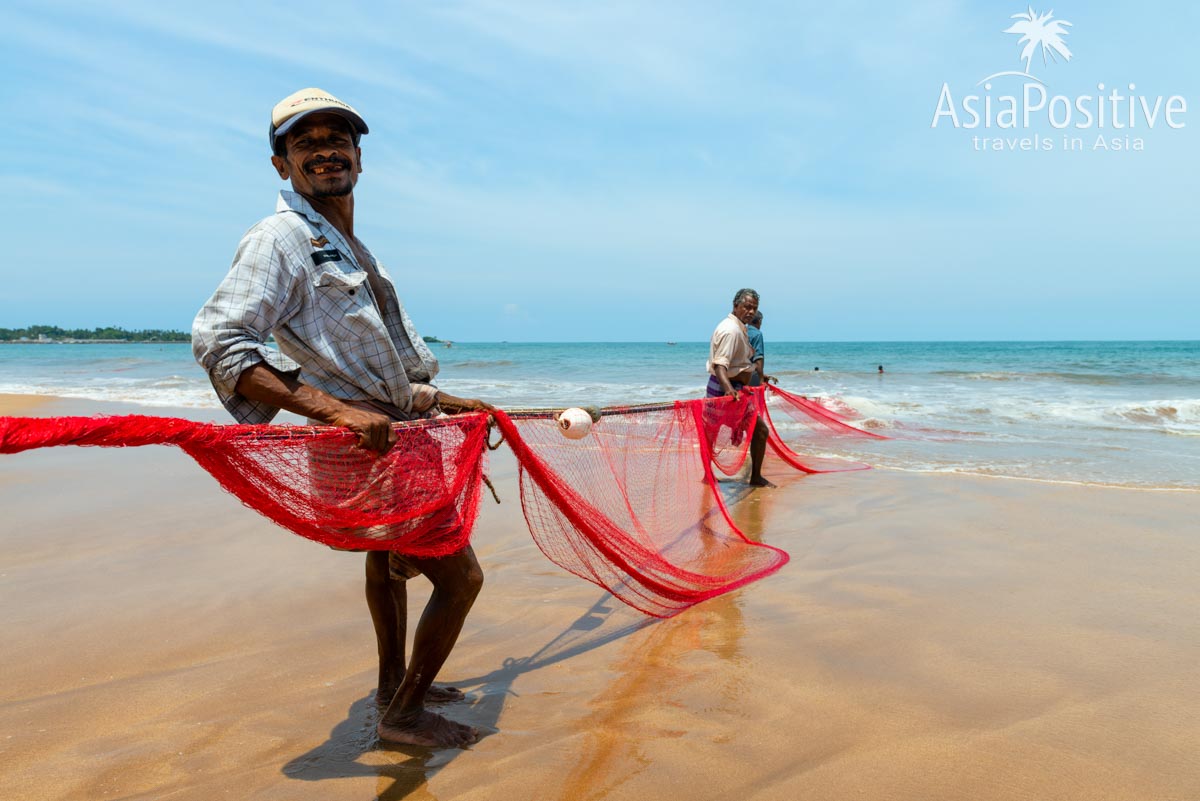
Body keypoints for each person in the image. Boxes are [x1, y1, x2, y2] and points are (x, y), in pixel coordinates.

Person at [193, 88, 489, 748]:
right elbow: (219, 338)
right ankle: (404, 715)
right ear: (281, 165)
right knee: (461, 575)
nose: (325, 150)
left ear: (359, 154)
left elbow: (361, 362)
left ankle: (392, 685)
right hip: (361, 444)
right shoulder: (282, 240)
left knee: (387, 562)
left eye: (337, 138)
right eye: (305, 142)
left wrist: (438, 399)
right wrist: (333, 411)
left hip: (387, 433)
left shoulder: (350, 246)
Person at [706, 288, 772, 487]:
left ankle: (707, 475)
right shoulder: (731, 330)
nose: (751, 312)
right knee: (760, 431)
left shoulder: (738, 326)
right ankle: (756, 478)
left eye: (754, 308)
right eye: (747, 307)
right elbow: (720, 365)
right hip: (726, 390)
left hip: (725, 387)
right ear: (735, 306)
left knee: (711, 431)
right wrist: (729, 389)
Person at [745, 311, 776, 388]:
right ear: (759, 321)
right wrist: (761, 381)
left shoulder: (742, 331)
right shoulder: (757, 334)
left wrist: (762, 375)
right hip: (751, 375)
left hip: (740, 375)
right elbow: (758, 361)